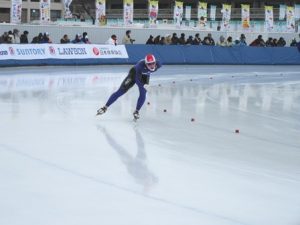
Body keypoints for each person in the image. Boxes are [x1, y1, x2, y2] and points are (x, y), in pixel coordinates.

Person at [96, 54, 162, 120]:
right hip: (134, 74)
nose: (151, 65)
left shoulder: (158, 65)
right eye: (149, 64)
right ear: (145, 63)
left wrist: (144, 86)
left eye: (153, 63)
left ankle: (137, 111)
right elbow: (138, 80)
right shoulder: (140, 65)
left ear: (155, 62)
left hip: (145, 76)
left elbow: (151, 70)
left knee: (143, 93)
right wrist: (144, 85)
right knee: (121, 91)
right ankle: (105, 107)